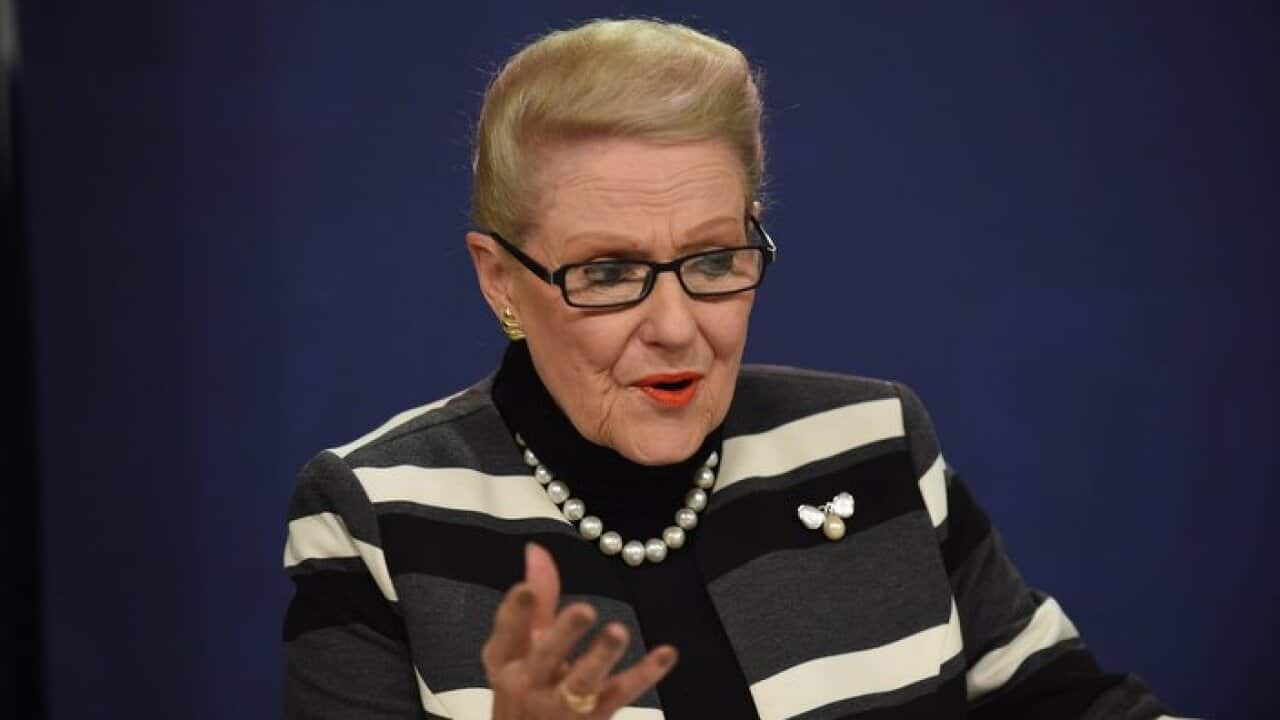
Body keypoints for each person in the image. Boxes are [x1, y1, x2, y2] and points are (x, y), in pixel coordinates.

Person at [282, 17, 1180, 720]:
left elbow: (1070, 706)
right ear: (499, 279)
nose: (677, 327)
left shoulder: (871, 446)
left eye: (713, 261)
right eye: (607, 272)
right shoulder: (378, 515)